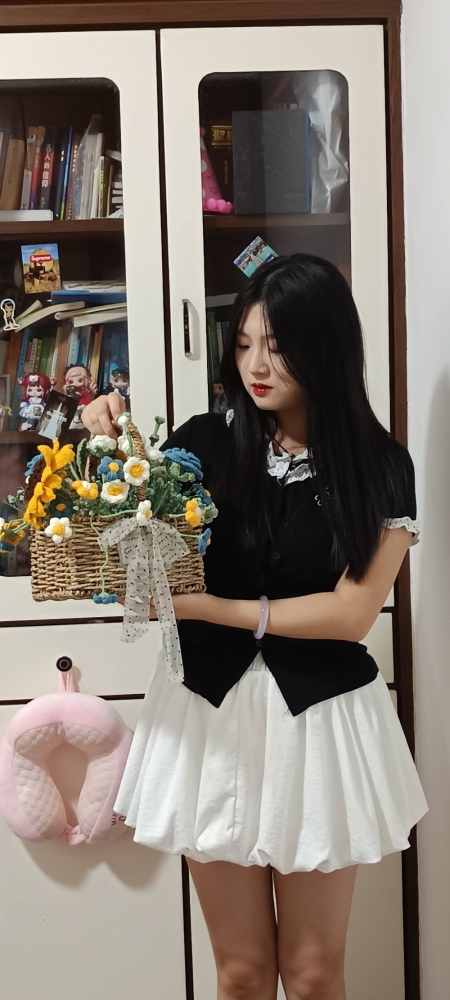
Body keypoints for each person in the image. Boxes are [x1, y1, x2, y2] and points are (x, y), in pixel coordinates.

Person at [82, 254, 428, 1000]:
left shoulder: (379, 465)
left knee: (312, 974)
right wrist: (109, 444)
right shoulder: (204, 444)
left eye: (278, 345)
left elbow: (351, 613)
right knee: (240, 974)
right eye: (243, 344)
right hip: (208, 716)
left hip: (321, 723)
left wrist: (214, 609)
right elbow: (141, 534)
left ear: (327, 346)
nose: (256, 366)